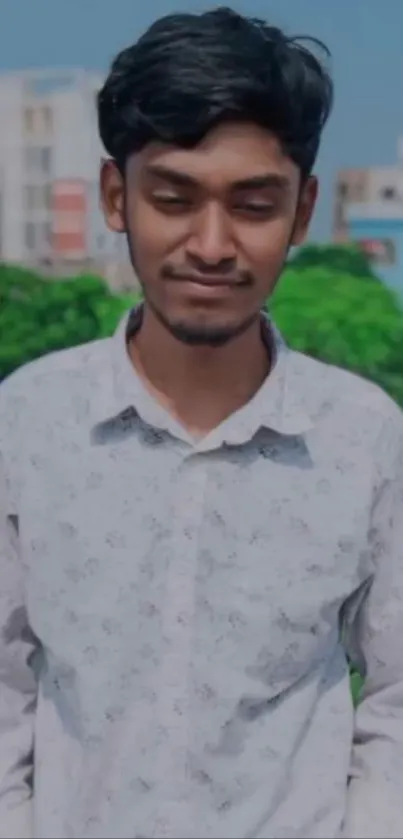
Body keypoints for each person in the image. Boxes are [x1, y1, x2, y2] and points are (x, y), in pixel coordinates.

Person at [1, 7, 403, 839]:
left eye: (253, 205)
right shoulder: (27, 425)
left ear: (300, 215)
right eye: (173, 198)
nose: (211, 244)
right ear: (117, 196)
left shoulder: (363, 438)